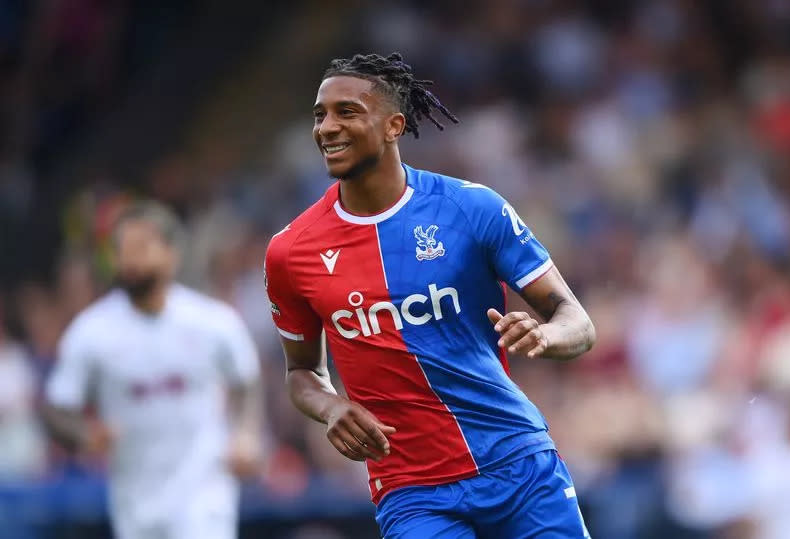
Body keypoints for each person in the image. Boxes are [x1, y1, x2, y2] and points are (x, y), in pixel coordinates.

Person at [264, 52, 596, 538]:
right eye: (320, 115)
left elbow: (577, 322)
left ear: (394, 125)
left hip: (518, 463)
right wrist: (331, 407)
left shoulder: (472, 208)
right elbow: (301, 372)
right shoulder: (290, 252)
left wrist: (544, 336)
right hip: (412, 492)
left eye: (347, 112)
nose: (327, 128)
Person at [44, 202, 264, 539]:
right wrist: (85, 435)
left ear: (172, 253)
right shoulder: (91, 332)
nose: (130, 260)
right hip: (134, 503)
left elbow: (245, 379)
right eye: (122, 250)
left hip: (203, 494)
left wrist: (246, 433)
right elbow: (57, 406)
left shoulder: (212, 322)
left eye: (142, 247)